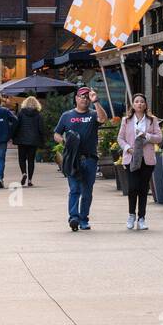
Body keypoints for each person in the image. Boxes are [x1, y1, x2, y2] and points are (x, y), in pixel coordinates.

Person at [53, 85, 107, 232]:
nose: (84, 99)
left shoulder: (93, 114)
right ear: (76, 98)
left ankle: (84, 219)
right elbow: (56, 134)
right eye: (82, 96)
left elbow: (103, 119)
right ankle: (74, 218)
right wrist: (64, 141)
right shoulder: (67, 116)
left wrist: (96, 101)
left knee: (87, 192)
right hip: (72, 159)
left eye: (87, 97)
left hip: (90, 159)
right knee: (75, 189)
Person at [117, 93, 162, 231]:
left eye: (142, 102)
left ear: (145, 104)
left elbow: (159, 138)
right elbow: (120, 138)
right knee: (132, 188)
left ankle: (141, 218)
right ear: (133, 105)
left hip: (147, 159)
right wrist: (127, 148)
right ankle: (131, 215)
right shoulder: (126, 120)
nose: (139, 104)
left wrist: (146, 136)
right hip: (131, 158)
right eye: (137, 101)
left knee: (143, 189)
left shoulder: (151, 120)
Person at [12, 95, 43, 187]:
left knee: (22, 158)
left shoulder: (21, 113)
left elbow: (16, 125)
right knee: (31, 160)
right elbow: (41, 128)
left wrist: (13, 136)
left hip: (22, 139)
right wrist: (42, 139)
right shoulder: (38, 114)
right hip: (33, 140)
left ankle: (24, 173)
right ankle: (30, 180)